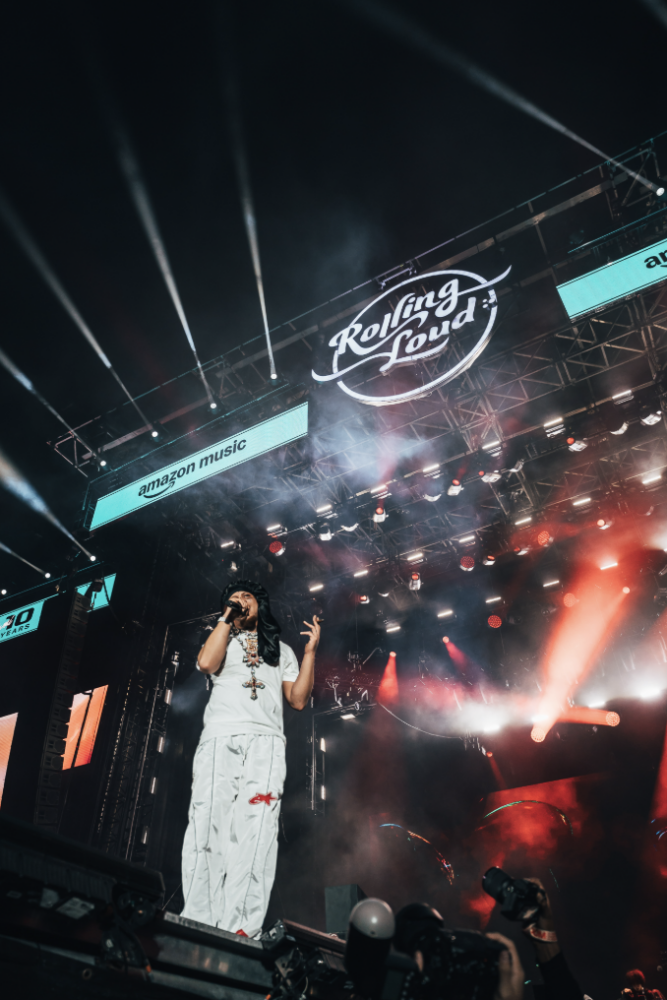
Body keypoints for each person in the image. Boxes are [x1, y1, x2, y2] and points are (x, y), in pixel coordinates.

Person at [181, 579, 320, 938]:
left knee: (257, 831)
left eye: (247, 596)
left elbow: (299, 700)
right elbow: (206, 664)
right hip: (219, 738)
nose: (240, 600)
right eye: (234, 597)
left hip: (267, 746)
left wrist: (309, 653)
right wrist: (226, 618)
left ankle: (241, 926)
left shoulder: (282, 650)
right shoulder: (222, 636)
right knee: (207, 823)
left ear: (261, 604)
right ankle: (198, 917)